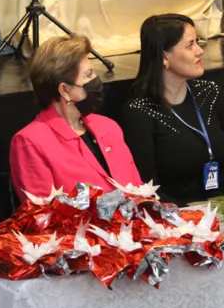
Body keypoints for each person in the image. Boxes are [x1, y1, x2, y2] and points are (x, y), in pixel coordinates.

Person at [119, 14, 224, 207]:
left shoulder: (210, 93)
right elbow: (148, 189)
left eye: (198, 43)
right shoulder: (140, 111)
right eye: (190, 45)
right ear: (164, 56)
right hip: (180, 217)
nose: (200, 51)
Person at [9, 35, 142, 201]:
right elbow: (43, 217)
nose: (97, 80)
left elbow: (138, 190)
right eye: (88, 75)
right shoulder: (31, 142)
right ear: (64, 90)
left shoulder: (108, 127)